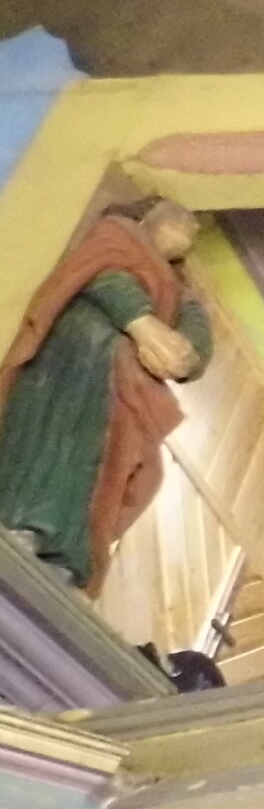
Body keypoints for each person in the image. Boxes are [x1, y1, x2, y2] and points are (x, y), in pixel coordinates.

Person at [0, 199, 212, 589]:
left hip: (131, 386)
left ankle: (66, 552)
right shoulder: (117, 234)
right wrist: (142, 324)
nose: (187, 230)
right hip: (76, 360)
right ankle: (27, 522)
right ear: (150, 217)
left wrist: (185, 355)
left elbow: (196, 327)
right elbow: (97, 272)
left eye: (192, 232)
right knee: (59, 442)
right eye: (179, 221)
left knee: (121, 463)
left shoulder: (179, 289)